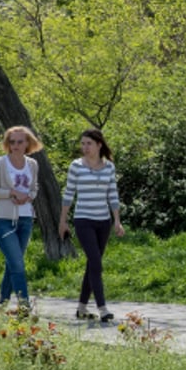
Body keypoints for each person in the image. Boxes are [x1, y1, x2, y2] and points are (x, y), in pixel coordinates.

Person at [58, 127, 124, 323]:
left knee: (92, 264)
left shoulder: (109, 167)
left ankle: (81, 307)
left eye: (89, 144)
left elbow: (113, 194)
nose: (85, 147)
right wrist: (63, 220)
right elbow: (68, 194)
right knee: (95, 262)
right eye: (83, 143)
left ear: (99, 145)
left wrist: (117, 221)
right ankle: (103, 308)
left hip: (103, 221)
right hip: (83, 220)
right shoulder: (76, 166)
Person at [0, 126, 42, 310]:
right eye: (12, 142)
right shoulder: (0, 163)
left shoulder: (32, 164)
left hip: (25, 219)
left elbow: (34, 189)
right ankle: (25, 307)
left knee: (12, 264)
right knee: (18, 264)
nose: (16, 146)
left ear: (27, 143)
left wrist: (28, 197)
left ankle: (2, 305)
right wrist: (11, 192)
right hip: (3, 220)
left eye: (20, 142)